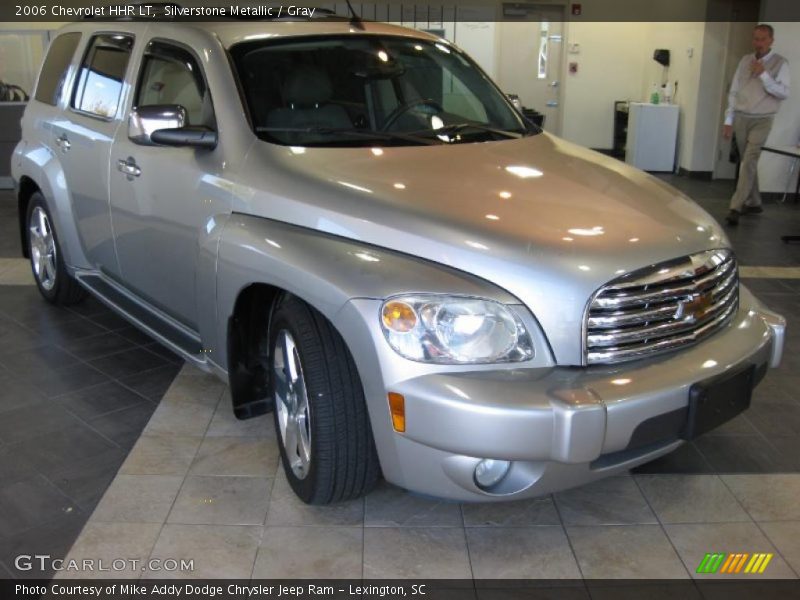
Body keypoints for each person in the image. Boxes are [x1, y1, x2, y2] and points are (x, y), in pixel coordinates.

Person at [723, 24, 790, 226]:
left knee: (749, 160)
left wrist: (764, 74)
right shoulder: (745, 60)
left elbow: (784, 93)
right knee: (747, 162)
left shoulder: (781, 63)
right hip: (742, 117)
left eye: (762, 39)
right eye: (755, 39)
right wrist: (729, 119)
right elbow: (734, 90)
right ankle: (755, 202)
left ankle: (735, 206)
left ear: (771, 40)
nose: (758, 43)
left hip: (763, 118)